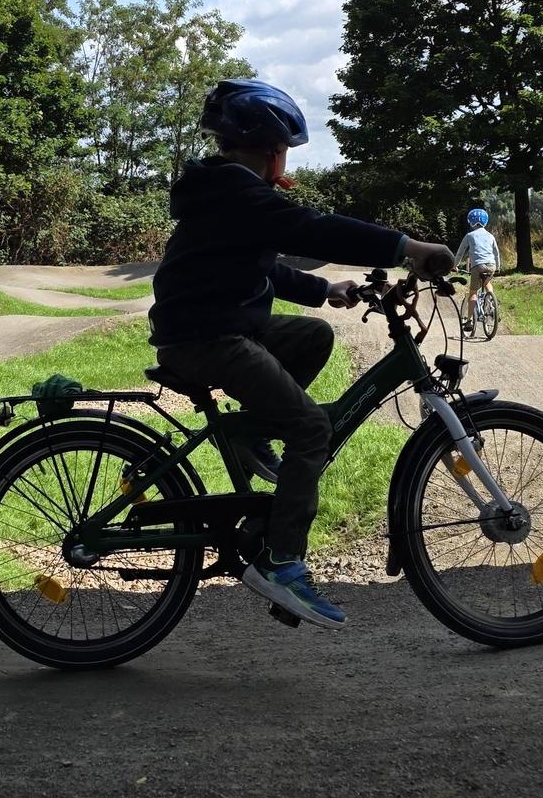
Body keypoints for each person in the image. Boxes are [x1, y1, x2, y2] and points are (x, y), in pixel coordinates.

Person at [148, 78, 456, 629]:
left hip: (212, 326)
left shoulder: (224, 191)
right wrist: (407, 246)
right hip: (208, 338)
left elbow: (257, 264)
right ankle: (281, 561)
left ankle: (250, 435)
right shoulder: (239, 192)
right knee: (312, 429)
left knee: (314, 336)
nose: (284, 159)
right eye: (284, 150)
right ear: (270, 147)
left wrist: (323, 291)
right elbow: (313, 229)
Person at [454, 208, 500, 332]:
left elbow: (460, 252)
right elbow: (496, 252)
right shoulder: (490, 236)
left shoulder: (469, 235)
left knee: (473, 291)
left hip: (478, 266)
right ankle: (492, 304)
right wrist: (498, 267)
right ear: (485, 221)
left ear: (470, 221)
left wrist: (455, 265)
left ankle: (469, 321)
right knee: (487, 283)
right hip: (491, 265)